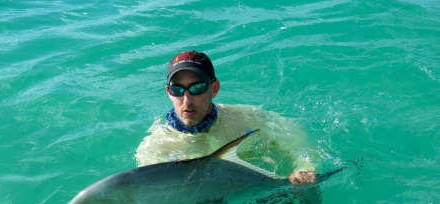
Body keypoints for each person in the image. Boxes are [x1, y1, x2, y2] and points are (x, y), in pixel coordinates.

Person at [135, 50, 318, 185]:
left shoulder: (246, 118)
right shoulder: (156, 148)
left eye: (197, 88)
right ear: (169, 92)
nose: (187, 99)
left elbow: (294, 135)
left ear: (214, 89)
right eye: (178, 90)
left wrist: (302, 168)